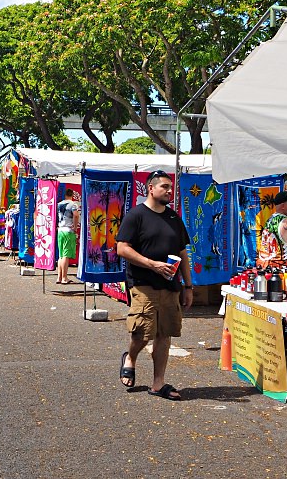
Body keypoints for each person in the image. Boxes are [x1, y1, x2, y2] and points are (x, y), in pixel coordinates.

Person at [115, 170, 192, 402]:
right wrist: (152, 265)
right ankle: (130, 357)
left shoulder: (173, 218)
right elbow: (122, 248)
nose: (169, 191)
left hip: (170, 286)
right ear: (151, 187)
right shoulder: (136, 216)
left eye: (171, 188)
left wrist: (188, 285)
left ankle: (158, 384)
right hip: (143, 283)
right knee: (142, 334)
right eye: (165, 187)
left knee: (164, 333)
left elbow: (182, 253)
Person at [55, 188, 80, 284]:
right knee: (66, 254)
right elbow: (76, 215)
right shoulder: (73, 204)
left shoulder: (59, 204)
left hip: (60, 229)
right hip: (68, 230)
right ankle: (65, 278)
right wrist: (75, 226)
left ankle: (59, 277)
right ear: (72, 195)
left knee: (61, 255)